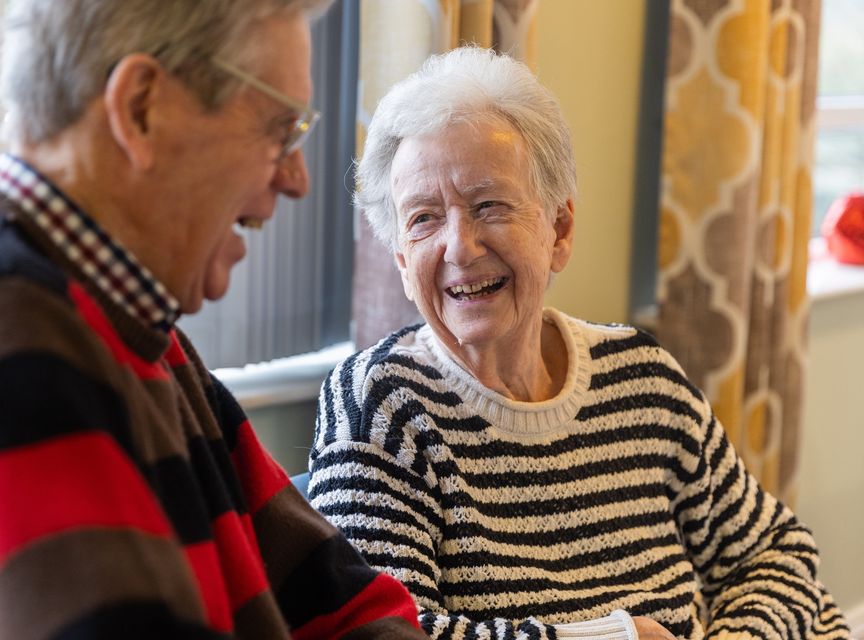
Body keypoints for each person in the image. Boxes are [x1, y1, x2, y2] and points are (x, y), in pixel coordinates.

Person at [0, 1, 426, 638]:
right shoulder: (9, 349)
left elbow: (345, 603)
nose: (297, 180)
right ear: (141, 108)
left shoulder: (133, 324)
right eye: (278, 130)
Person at [307, 47, 850, 640]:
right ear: (402, 259)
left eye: (488, 205)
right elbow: (383, 632)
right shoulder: (380, 404)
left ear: (559, 230)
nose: (459, 247)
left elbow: (775, 552)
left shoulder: (641, 377)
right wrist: (618, 637)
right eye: (424, 219)